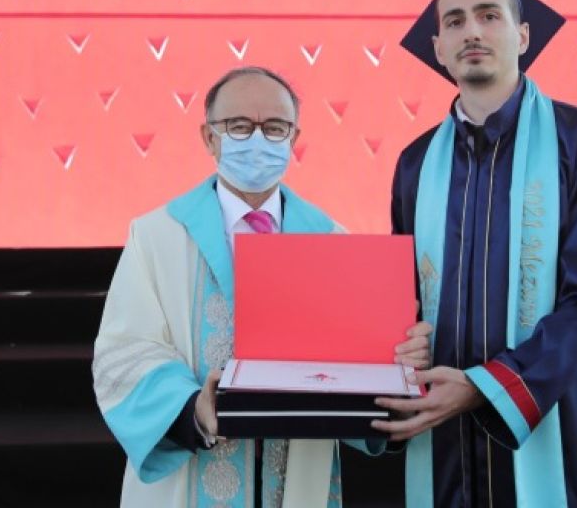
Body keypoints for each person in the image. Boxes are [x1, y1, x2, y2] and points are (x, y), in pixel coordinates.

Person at [375, 0, 577, 507]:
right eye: (455, 21)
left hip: (565, 429)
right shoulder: (416, 163)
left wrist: (487, 387)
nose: (472, 32)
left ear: (523, 35)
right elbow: (406, 301)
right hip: (449, 443)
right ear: (438, 48)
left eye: (489, 15)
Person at [94, 66, 431, 507]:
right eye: (238, 126)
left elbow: (355, 362)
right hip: (191, 477)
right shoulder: (157, 235)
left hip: (297, 476)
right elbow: (124, 351)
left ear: (294, 138)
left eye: (274, 128)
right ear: (209, 137)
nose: (257, 140)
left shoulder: (331, 241)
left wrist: (398, 363)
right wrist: (193, 408)